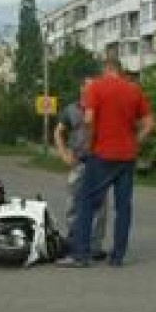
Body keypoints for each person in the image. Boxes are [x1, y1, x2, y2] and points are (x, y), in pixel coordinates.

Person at [58, 56, 155, 268]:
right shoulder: (134, 90)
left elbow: (90, 119)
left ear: (106, 69)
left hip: (102, 155)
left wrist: (92, 142)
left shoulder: (96, 88)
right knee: (123, 208)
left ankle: (80, 255)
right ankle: (117, 256)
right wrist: (134, 141)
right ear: (119, 70)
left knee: (85, 202)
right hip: (127, 157)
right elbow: (149, 124)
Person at [53, 74, 108, 261]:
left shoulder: (103, 109)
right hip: (78, 162)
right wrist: (63, 153)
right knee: (73, 204)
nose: (93, 90)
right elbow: (58, 132)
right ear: (82, 89)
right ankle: (74, 242)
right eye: (89, 87)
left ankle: (94, 247)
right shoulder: (71, 110)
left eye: (96, 87)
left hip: (100, 163)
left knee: (99, 207)